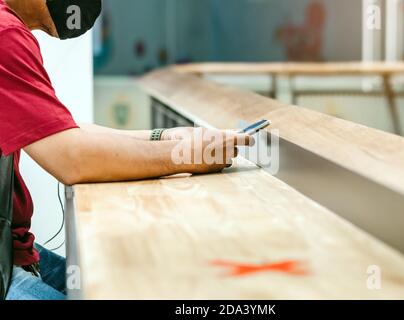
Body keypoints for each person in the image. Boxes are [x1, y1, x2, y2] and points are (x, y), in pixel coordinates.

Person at [0, 0, 252, 300]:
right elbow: (71, 158)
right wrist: (189, 157)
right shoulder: (6, 33)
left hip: (12, 246)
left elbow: (58, 129)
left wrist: (167, 137)